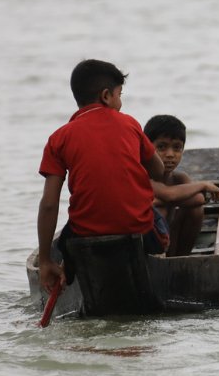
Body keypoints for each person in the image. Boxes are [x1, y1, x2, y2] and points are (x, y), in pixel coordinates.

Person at [36, 59, 166, 292]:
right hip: (139, 230)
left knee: (67, 238)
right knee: (160, 219)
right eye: (120, 95)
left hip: (85, 231)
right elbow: (158, 170)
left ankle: (69, 272)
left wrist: (45, 260)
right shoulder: (130, 124)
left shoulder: (59, 138)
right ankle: (161, 263)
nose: (120, 102)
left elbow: (49, 204)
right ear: (106, 96)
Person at [143, 115, 219, 257]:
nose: (170, 155)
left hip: (171, 244)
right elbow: (169, 194)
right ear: (148, 148)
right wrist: (203, 184)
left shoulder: (179, 178)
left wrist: (160, 200)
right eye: (161, 147)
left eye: (177, 148)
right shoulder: (143, 176)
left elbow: (198, 199)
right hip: (147, 245)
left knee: (196, 210)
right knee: (160, 210)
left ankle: (181, 259)